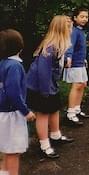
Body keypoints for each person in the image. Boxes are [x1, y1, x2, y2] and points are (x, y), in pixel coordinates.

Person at [26, 16, 74, 159]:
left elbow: (56, 64)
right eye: (69, 28)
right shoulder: (50, 46)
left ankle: (55, 135)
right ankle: (44, 146)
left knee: (54, 109)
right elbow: (43, 71)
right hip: (41, 86)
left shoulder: (60, 44)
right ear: (61, 29)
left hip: (50, 84)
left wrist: (65, 61)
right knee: (43, 114)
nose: (71, 30)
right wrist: (45, 91)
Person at [0, 29, 35, 175]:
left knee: (6, 150)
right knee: (13, 152)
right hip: (12, 114)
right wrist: (26, 111)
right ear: (20, 46)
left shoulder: (2, 63)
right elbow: (13, 93)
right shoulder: (15, 66)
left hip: (2, 113)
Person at [63, 8, 89, 127]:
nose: (84, 19)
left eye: (86, 17)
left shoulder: (80, 31)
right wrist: (68, 57)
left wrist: (84, 59)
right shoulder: (73, 31)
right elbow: (70, 45)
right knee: (76, 85)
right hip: (74, 63)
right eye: (82, 16)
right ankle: (70, 114)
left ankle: (77, 109)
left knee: (83, 84)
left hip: (80, 62)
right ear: (75, 18)